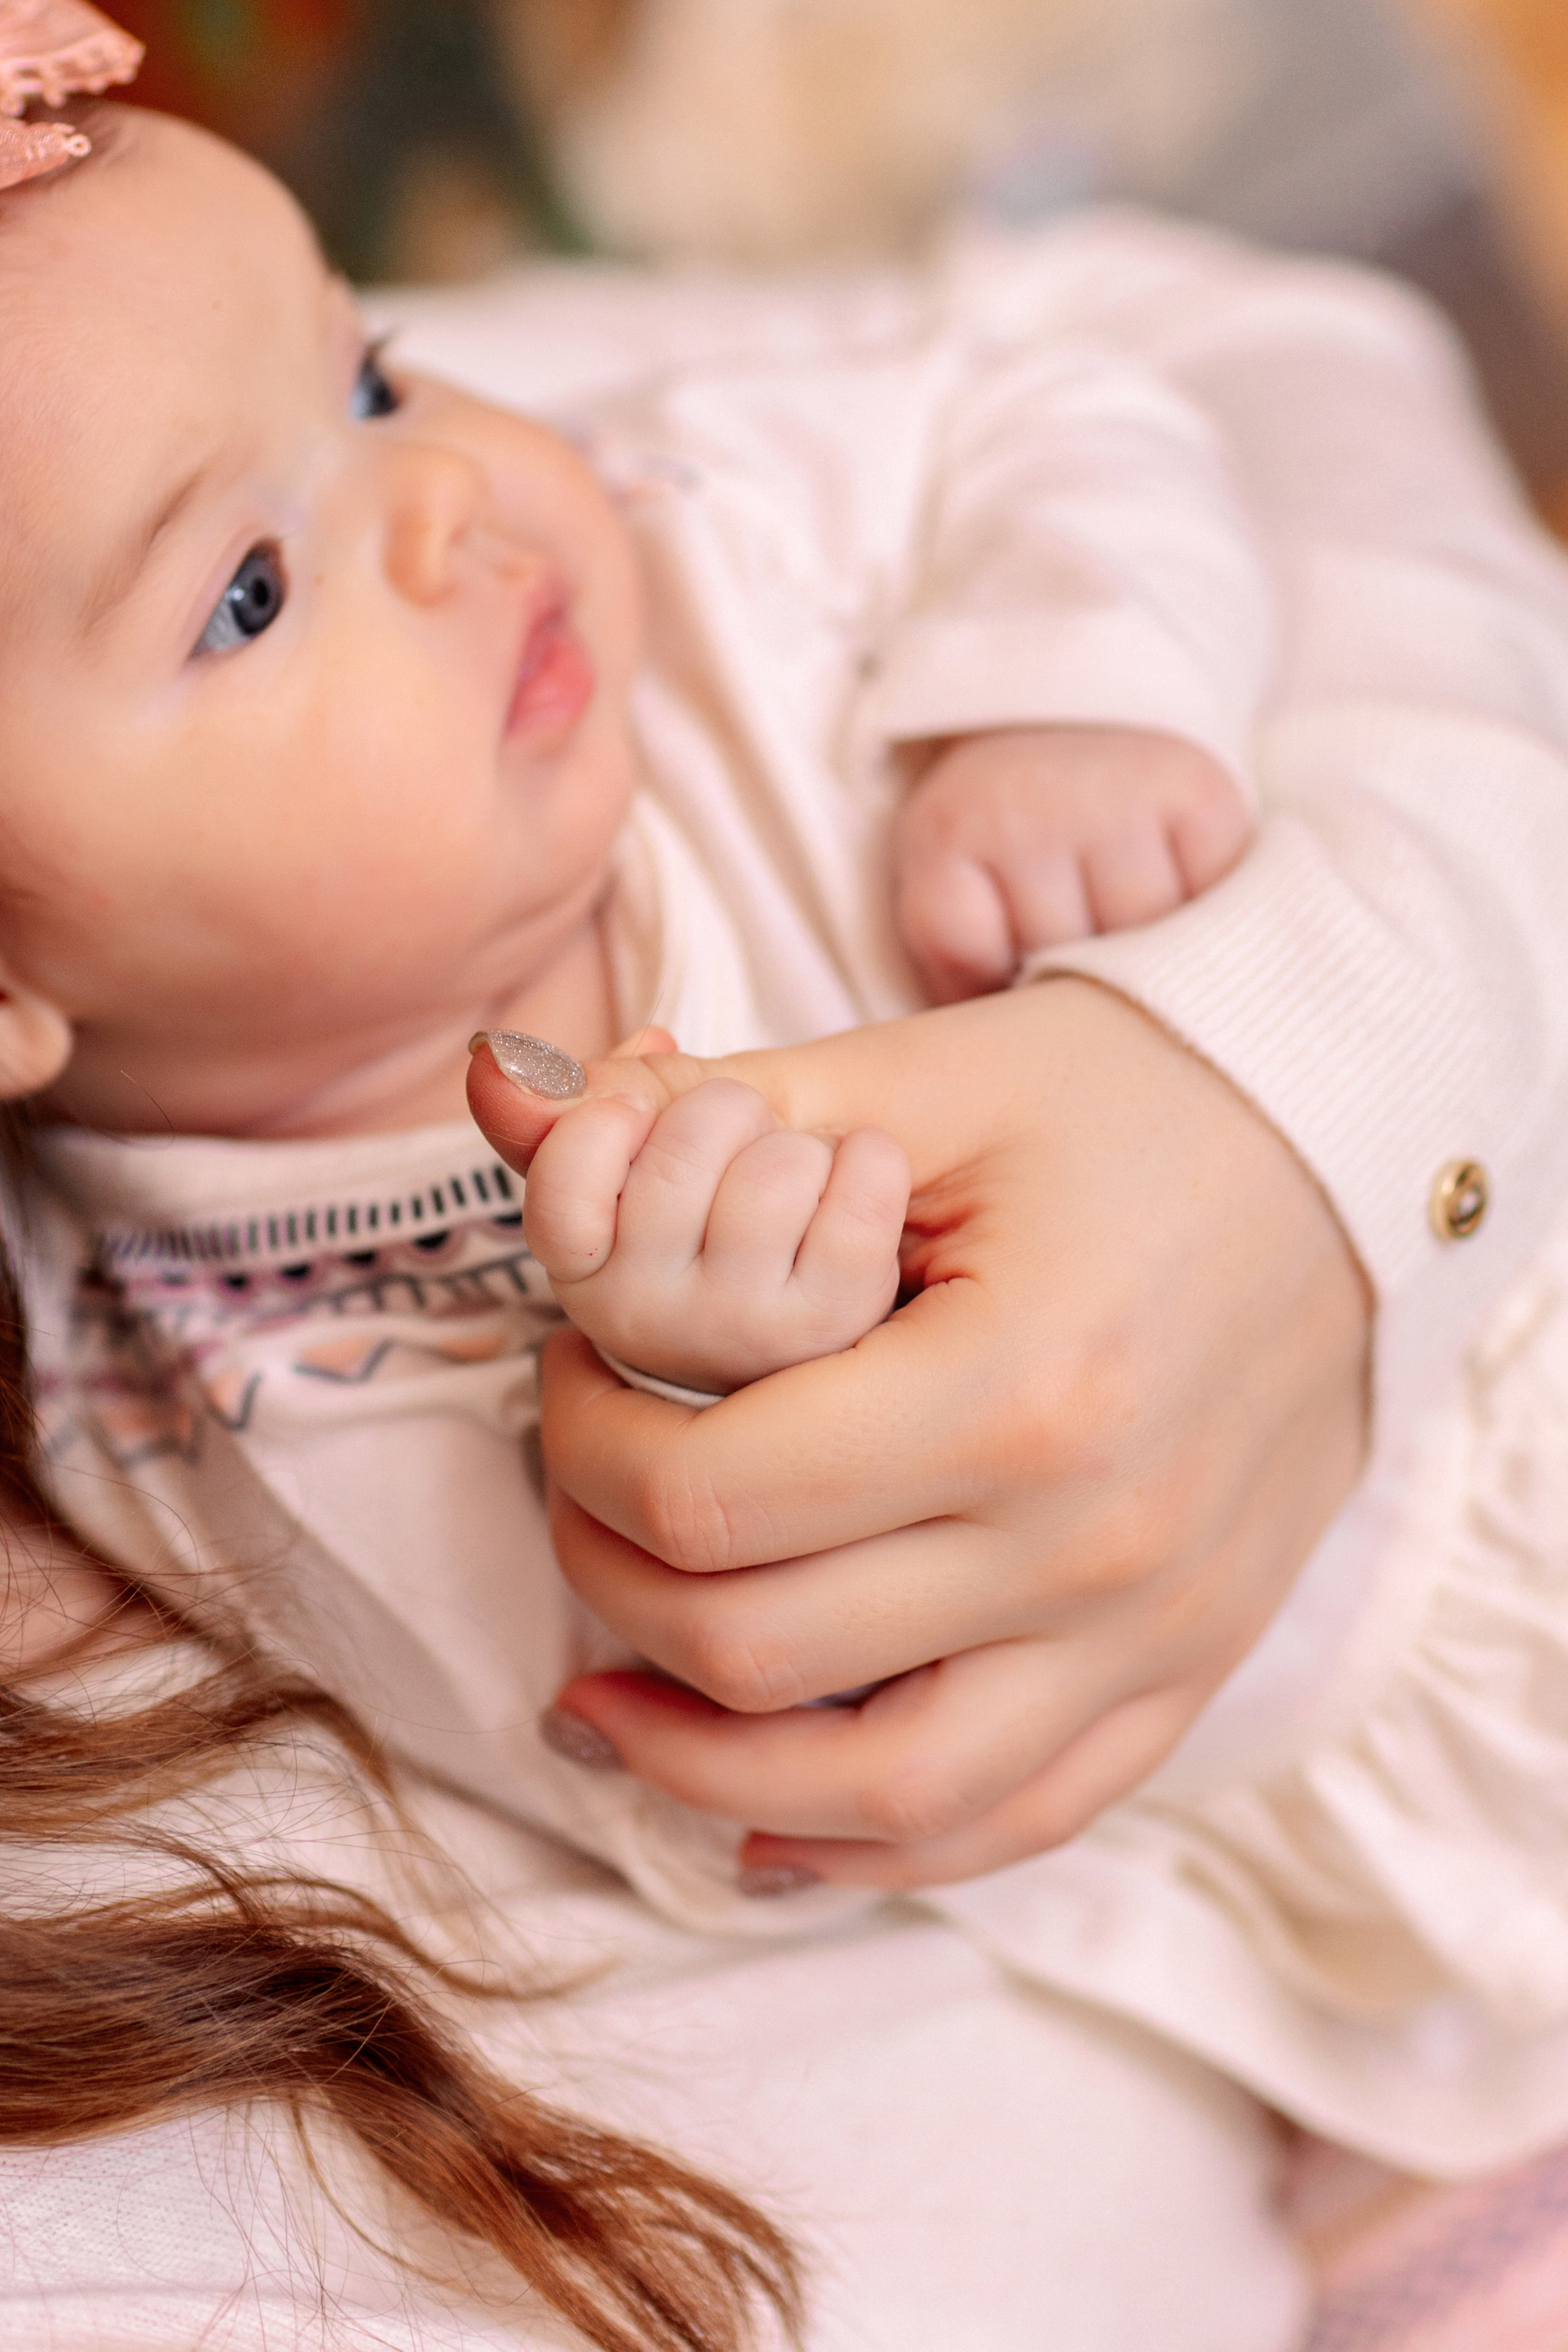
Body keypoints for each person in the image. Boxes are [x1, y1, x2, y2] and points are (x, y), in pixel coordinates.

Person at [4, 10, 1568, 2344]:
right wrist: (730, 1397)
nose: (450, 502)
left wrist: (1073, 683)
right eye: (246, 591)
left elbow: (1055, 387)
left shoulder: (695, 530)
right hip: (1399, 1752)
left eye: (370, 380)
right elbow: (697, 1814)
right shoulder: (237, 1397)